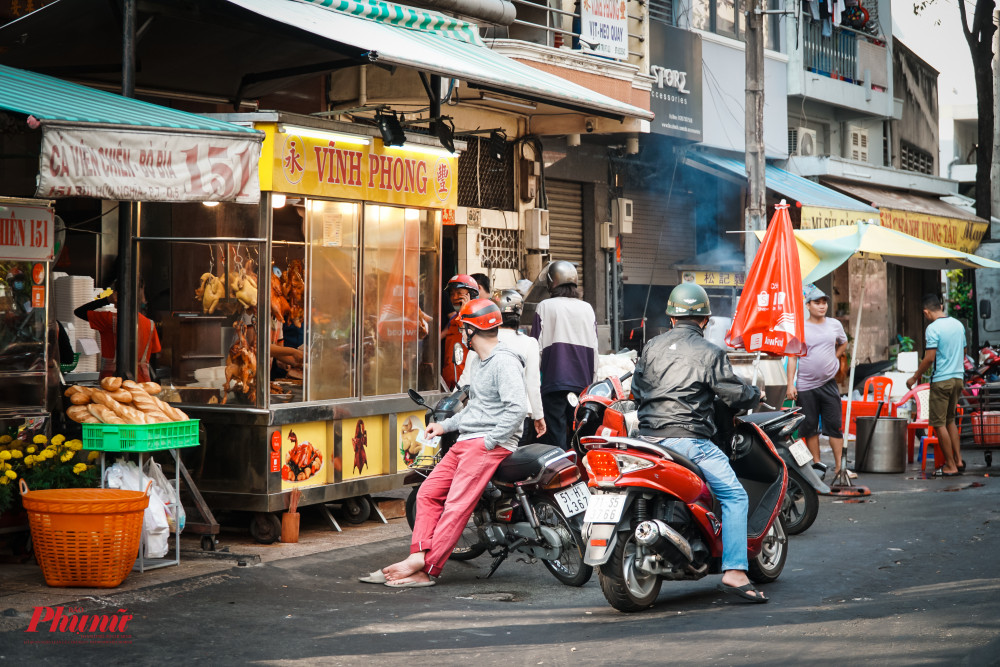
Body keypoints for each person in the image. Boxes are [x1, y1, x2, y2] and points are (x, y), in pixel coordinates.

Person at [362, 299, 528, 587]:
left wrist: (490, 441)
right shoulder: (479, 362)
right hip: (467, 441)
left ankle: (427, 571)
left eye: (463, 328)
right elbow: (474, 410)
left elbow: (517, 409)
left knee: (456, 505)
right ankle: (417, 557)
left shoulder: (504, 362)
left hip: (487, 444)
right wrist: (443, 426)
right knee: (427, 493)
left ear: (471, 330)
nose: (461, 333)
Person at [631, 283, 767, 603]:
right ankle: (735, 572)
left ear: (672, 318)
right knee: (735, 496)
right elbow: (733, 394)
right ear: (705, 320)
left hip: (647, 441)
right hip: (690, 442)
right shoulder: (709, 352)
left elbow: (637, 392)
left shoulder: (651, 347)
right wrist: (756, 394)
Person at [531, 261, 598, 449]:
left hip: (554, 384)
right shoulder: (587, 308)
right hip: (582, 385)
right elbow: (595, 349)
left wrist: (534, 384)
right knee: (579, 436)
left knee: (555, 438)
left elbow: (535, 348)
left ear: (551, 282)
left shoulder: (545, 306)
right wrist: (592, 384)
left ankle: (560, 466)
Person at [785, 286, 849, 475]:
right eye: (817, 303)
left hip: (829, 383)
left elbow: (844, 342)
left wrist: (835, 356)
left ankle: (840, 467)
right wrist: (790, 384)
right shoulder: (800, 328)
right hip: (805, 385)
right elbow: (793, 357)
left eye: (824, 303)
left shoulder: (834, 324)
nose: (822, 306)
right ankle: (817, 466)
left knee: (834, 425)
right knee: (810, 427)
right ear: (808, 305)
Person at [907, 293, 967, 476]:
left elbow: (929, 358)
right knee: (950, 420)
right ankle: (958, 460)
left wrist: (914, 377)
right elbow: (964, 351)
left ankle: (950, 465)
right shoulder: (958, 325)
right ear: (941, 306)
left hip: (941, 381)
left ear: (926, 312)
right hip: (958, 379)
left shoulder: (932, 329)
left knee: (938, 423)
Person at [73, 282, 161, 382]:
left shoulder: (109, 320)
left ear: (116, 295)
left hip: (112, 381)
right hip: (143, 383)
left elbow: (79, 312)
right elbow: (154, 355)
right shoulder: (150, 324)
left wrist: (107, 300)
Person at [495, 289, 546, 444]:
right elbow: (532, 384)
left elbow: (468, 380)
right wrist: (538, 416)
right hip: (518, 417)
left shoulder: (482, 340)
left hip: (487, 416)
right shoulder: (529, 343)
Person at [440, 274, 480, 389]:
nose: (454, 297)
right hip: (449, 379)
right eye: (452, 294)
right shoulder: (454, 319)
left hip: (466, 383)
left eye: (459, 293)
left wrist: (464, 313)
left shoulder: (477, 318)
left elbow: (470, 339)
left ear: (471, 294)